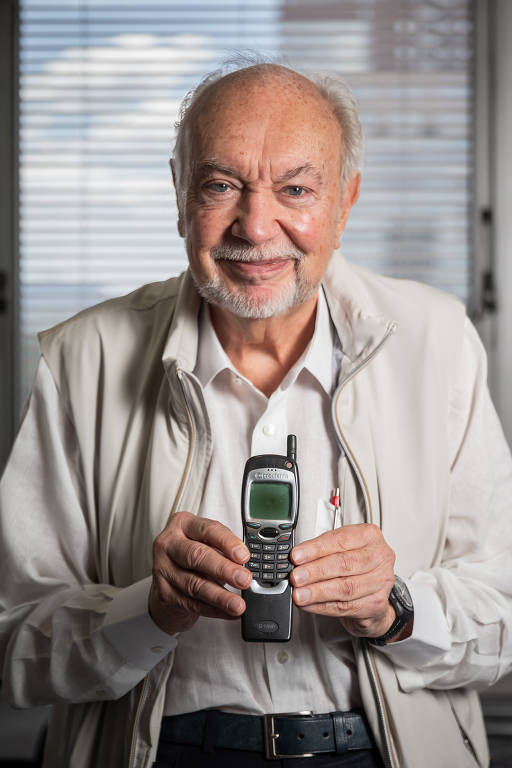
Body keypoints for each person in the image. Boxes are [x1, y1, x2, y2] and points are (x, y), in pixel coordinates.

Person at [1, 58, 511, 768]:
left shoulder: (440, 342)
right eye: (220, 185)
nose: (256, 224)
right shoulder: (81, 358)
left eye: (296, 188)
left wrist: (397, 608)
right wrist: (146, 612)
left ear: (346, 202)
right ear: (179, 193)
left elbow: (503, 619)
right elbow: (15, 646)